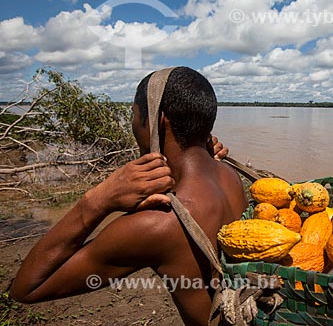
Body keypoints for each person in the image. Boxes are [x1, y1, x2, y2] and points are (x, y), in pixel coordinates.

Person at [10, 67, 248, 325]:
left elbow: (27, 288)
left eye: (134, 115)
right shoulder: (230, 177)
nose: (133, 124)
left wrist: (98, 200)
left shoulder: (156, 223)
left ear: (159, 120)